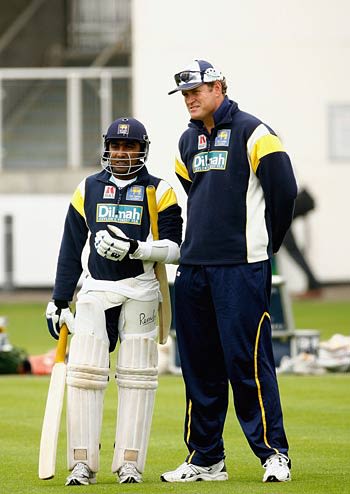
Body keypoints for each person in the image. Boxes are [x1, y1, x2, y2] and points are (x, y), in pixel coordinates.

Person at [161, 60, 297, 484]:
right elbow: (194, 196)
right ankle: (206, 458)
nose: (190, 99)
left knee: (248, 363)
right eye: (184, 94)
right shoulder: (186, 141)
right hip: (194, 268)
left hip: (241, 268)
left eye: (197, 90)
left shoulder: (255, 132)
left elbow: (284, 191)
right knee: (199, 366)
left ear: (218, 86)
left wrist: (263, 245)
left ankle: (274, 454)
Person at [45, 117, 182, 486]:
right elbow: (71, 248)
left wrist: (136, 248)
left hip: (140, 288)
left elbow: (176, 248)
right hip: (95, 290)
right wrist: (59, 299)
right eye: (116, 146)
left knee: (138, 376)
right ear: (107, 148)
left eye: (130, 147)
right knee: (85, 375)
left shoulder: (160, 190)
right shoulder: (87, 188)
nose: (122, 153)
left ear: (142, 150)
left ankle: (130, 463)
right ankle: (81, 463)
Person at [282, 188, 322, 298]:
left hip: (280, 214)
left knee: (295, 252)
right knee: (295, 252)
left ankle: (313, 285)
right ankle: (313, 285)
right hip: (283, 212)